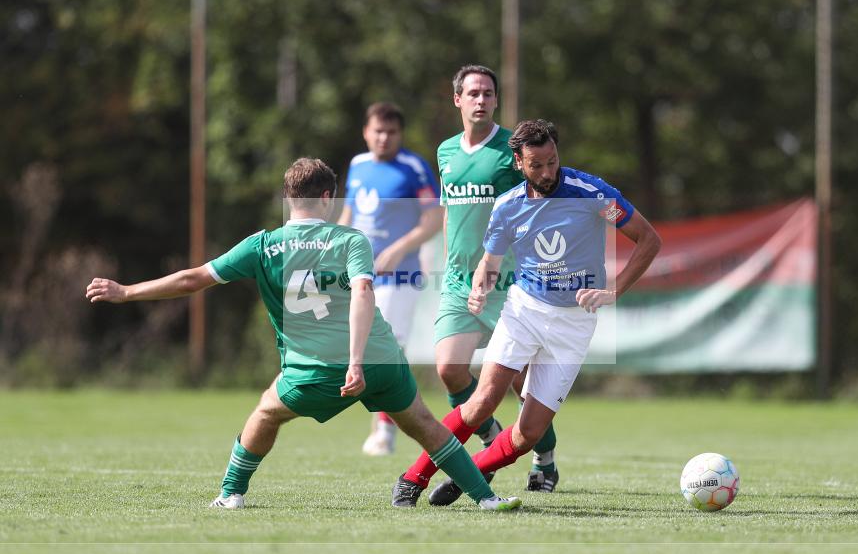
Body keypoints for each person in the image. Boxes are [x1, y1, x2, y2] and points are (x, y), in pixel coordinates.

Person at [85, 157, 521, 512]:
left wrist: (126, 291)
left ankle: (230, 494)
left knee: (266, 414)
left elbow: (191, 280)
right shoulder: (351, 240)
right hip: (380, 361)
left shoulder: (262, 245)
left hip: (315, 369)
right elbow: (364, 294)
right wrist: (358, 360)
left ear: (288, 197)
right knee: (426, 425)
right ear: (328, 198)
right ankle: (485, 499)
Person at [403, 119, 661, 507]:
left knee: (529, 434)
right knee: (482, 402)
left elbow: (648, 239)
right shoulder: (507, 206)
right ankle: (413, 478)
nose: (547, 172)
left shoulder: (591, 193)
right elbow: (490, 262)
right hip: (524, 310)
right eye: (536, 165)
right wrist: (479, 288)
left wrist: (614, 290)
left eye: (552, 162)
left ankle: (464, 476)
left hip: (574, 324)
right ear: (519, 163)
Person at [390, 65, 560, 508]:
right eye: (473, 93)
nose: (481, 99)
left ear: (496, 101)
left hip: (509, 283)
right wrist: (449, 262)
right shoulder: (446, 151)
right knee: (449, 368)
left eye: (488, 93)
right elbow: (449, 212)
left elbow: (536, 206)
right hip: (459, 281)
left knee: (525, 385)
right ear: (457, 100)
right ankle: (489, 434)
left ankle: (544, 458)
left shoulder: (511, 151)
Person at [338, 102, 442, 456]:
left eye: (391, 132)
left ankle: (385, 428)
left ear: (400, 134)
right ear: (366, 132)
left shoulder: (413, 167)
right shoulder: (357, 166)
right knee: (364, 348)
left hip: (401, 274)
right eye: (378, 131)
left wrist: (400, 249)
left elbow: (433, 219)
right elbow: (349, 215)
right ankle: (386, 424)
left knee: (388, 348)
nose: (384, 138)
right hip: (361, 274)